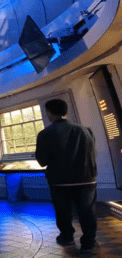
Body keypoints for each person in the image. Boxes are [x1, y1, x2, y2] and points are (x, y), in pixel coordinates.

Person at [35, 99, 98, 255]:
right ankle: (89, 244)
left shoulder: (45, 134)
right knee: (87, 212)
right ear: (66, 111)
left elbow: (42, 161)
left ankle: (67, 237)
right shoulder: (85, 130)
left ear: (49, 113)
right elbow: (93, 153)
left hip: (60, 181)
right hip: (86, 179)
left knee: (63, 212)